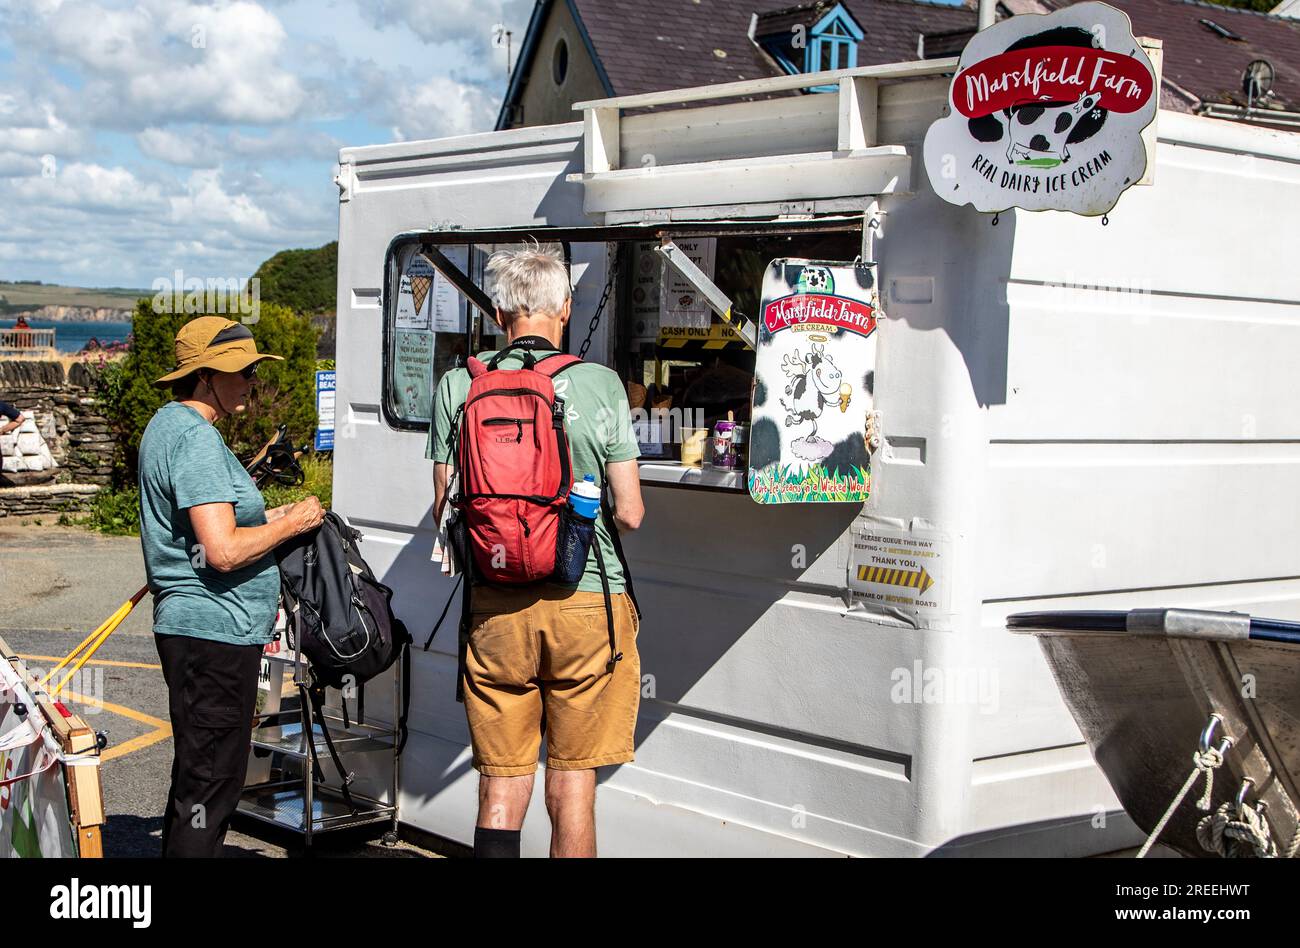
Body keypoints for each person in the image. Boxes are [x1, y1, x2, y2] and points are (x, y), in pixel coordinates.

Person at [429, 245, 645, 858]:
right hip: (585, 602)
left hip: (494, 606)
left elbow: (444, 506)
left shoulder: (458, 385)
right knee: (573, 781)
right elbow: (629, 511)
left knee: (501, 782)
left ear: (499, 314)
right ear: (567, 308)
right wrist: (570, 530)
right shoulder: (600, 384)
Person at [139, 316, 325, 857]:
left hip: (201, 633)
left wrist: (276, 512)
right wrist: (291, 525)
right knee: (213, 780)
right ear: (202, 377)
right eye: (239, 370)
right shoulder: (196, 438)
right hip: (213, 632)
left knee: (201, 773)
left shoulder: (168, 426)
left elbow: (215, 521)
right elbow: (220, 551)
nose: (250, 380)